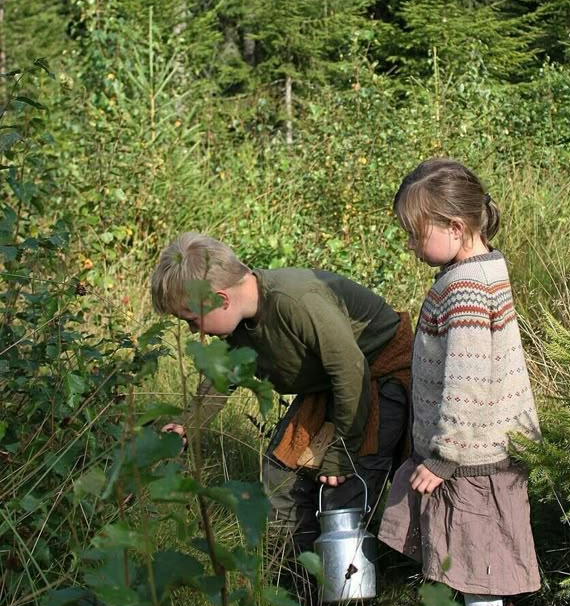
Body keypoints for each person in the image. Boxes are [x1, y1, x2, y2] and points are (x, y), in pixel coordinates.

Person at [150, 233, 411, 566]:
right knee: (279, 476)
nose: (192, 332)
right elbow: (224, 373)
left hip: (377, 379)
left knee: (342, 493)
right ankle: (295, 580)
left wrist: (341, 453)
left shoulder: (296, 300)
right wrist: (186, 424)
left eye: (191, 321)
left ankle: (343, 605)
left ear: (219, 300)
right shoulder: (239, 324)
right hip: (328, 387)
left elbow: (350, 368)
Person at [378, 159, 541, 606]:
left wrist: (443, 456)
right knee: (475, 553)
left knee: (480, 560)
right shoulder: (482, 267)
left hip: (474, 452)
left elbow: (469, 382)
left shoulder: (465, 288)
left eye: (414, 234)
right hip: (482, 443)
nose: (410, 245)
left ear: (455, 226)